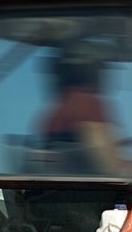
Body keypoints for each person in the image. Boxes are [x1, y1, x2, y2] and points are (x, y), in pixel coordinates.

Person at [35, 46, 124, 175]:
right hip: (90, 191)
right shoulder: (86, 104)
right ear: (91, 73)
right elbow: (108, 165)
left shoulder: (57, 111)